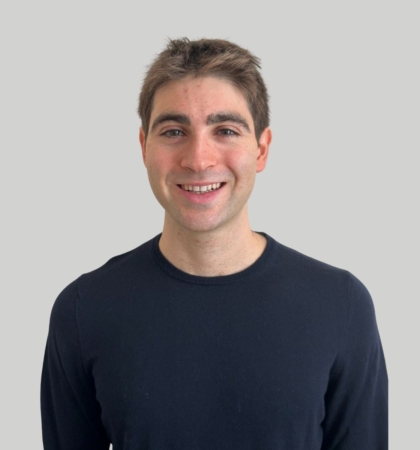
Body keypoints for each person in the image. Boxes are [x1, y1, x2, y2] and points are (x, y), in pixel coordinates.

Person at [41, 38, 388, 449]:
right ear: (144, 147)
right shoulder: (84, 310)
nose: (199, 159)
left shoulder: (340, 304)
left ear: (261, 149)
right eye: (173, 131)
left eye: (225, 130)